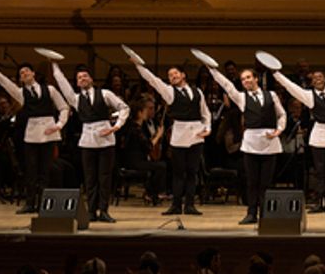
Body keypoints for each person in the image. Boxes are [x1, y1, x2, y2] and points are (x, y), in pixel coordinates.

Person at [0, 59, 68, 214]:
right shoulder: (20, 93)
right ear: (20, 79)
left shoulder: (50, 90)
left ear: (33, 73)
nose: (24, 73)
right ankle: (30, 203)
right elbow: (4, 82)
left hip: (50, 133)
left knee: (46, 170)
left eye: (27, 70)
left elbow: (64, 107)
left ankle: (43, 204)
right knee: (31, 170)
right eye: (21, 73)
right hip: (32, 135)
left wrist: (59, 124)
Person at [51, 60, 130, 223]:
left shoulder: (105, 94)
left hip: (106, 140)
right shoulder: (75, 99)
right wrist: (55, 66)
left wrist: (116, 126)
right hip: (87, 141)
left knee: (105, 177)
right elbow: (63, 84)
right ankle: (92, 211)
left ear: (91, 79)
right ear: (77, 82)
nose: (83, 79)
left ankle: (104, 210)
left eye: (85, 76)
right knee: (90, 178)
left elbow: (124, 108)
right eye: (79, 77)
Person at [208, 62, 286, 225]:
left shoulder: (271, 95)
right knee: (251, 181)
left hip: (270, 143)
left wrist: (278, 130)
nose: (246, 81)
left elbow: (282, 115)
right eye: (243, 79)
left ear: (256, 78)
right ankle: (251, 213)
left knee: (266, 182)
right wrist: (212, 69)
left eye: (248, 77)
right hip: (251, 143)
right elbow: (227, 86)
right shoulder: (242, 98)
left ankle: (265, 213)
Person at [272, 67, 325, 214]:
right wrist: (276, 74)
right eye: (314, 78)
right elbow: (291, 87)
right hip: (318, 136)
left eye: (320, 77)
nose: (317, 79)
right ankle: (318, 202)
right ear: (312, 82)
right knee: (319, 171)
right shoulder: (309, 96)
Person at [133, 59, 211, 216]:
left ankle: (189, 205)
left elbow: (205, 112)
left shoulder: (198, 92)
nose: (172, 76)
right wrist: (138, 64)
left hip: (196, 134)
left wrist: (207, 128)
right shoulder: (169, 92)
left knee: (192, 172)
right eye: (169, 75)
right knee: (178, 173)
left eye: (175, 73)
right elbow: (153, 80)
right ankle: (176, 205)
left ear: (183, 75)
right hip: (180, 134)